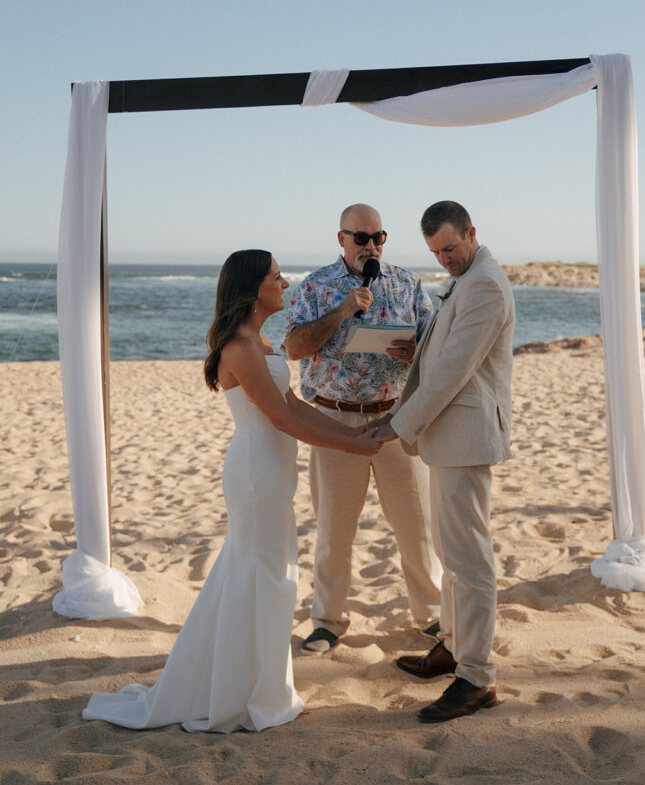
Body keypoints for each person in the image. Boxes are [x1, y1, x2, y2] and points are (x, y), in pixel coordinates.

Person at [83, 249, 379, 734]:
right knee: (259, 575)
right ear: (253, 288)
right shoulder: (240, 348)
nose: (285, 284)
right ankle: (241, 692)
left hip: (271, 468)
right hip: (255, 470)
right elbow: (281, 419)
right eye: (277, 278)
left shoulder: (260, 339)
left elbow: (293, 405)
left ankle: (251, 683)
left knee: (266, 573)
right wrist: (351, 446)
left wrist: (353, 438)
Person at [365, 201, 515, 724]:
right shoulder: (468, 278)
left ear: (472, 233)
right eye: (435, 253)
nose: (444, 260)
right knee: (453, 553)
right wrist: (418, 351)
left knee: (469, 561)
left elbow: (455, 369)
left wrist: (398, 422)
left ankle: (476, 677)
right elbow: (446, 350)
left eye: (450, 248)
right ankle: (451, 646)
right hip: (449, 437)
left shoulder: (486, 284)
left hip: (466, 437)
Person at [284, 204, 442, 655]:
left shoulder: (406, 282)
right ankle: (328, 620)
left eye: (378, 237)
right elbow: (294, 347)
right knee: (335, 529)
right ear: (341, 239)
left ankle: (430, 614)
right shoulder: (315, 286)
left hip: (396, 417)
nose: (370, 246)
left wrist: (412, 352)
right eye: (361, 238)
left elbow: (435, 351)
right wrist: (341, 310)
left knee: (417, 525)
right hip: (334, 421)